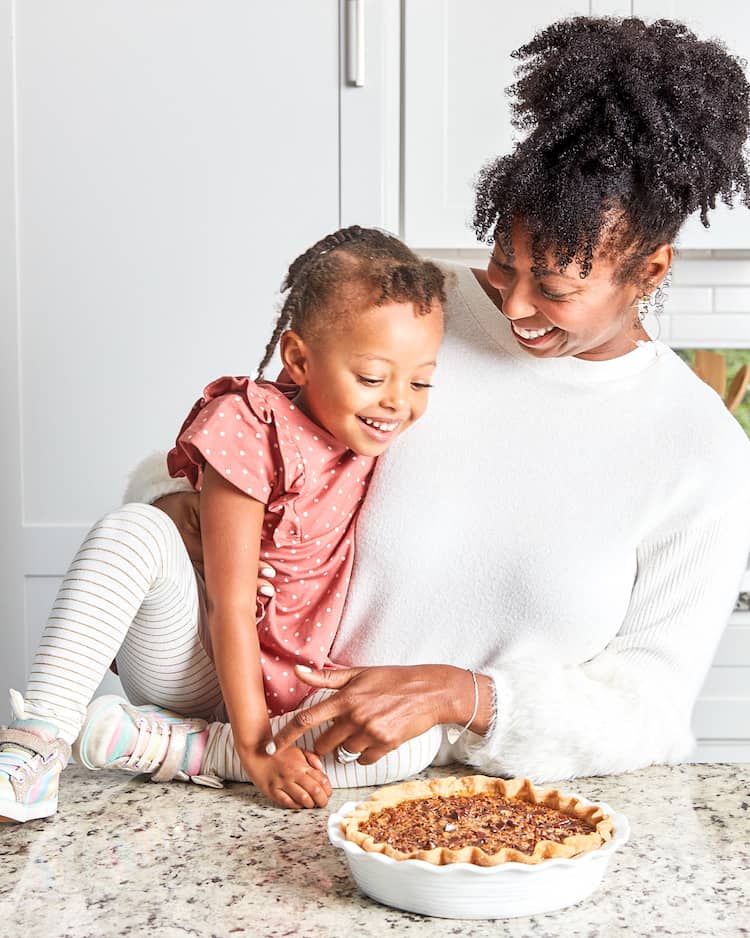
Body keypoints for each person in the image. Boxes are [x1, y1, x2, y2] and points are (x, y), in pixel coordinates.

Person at [123, 16, 750, 786]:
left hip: (430, 794)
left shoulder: (701, 452)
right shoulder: (419, 310)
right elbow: (255, 434)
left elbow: (652, 709)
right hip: (245, 726)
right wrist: (175, 503)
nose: (514, 305)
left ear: (649, 272)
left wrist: (469, 697)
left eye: (554, 288)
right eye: (501, 262)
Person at [0, 226, 446, 821]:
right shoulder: (251, 424)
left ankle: (164, 747)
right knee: (134, 529)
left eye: (420, 382)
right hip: (197, 665)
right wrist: (258, 750)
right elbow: (230, 606)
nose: (397, 401)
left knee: (415, 742)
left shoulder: (371, 440)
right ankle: (36, 746)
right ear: (299, 359)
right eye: (371, 377)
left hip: (293, 693)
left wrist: (271, 739)